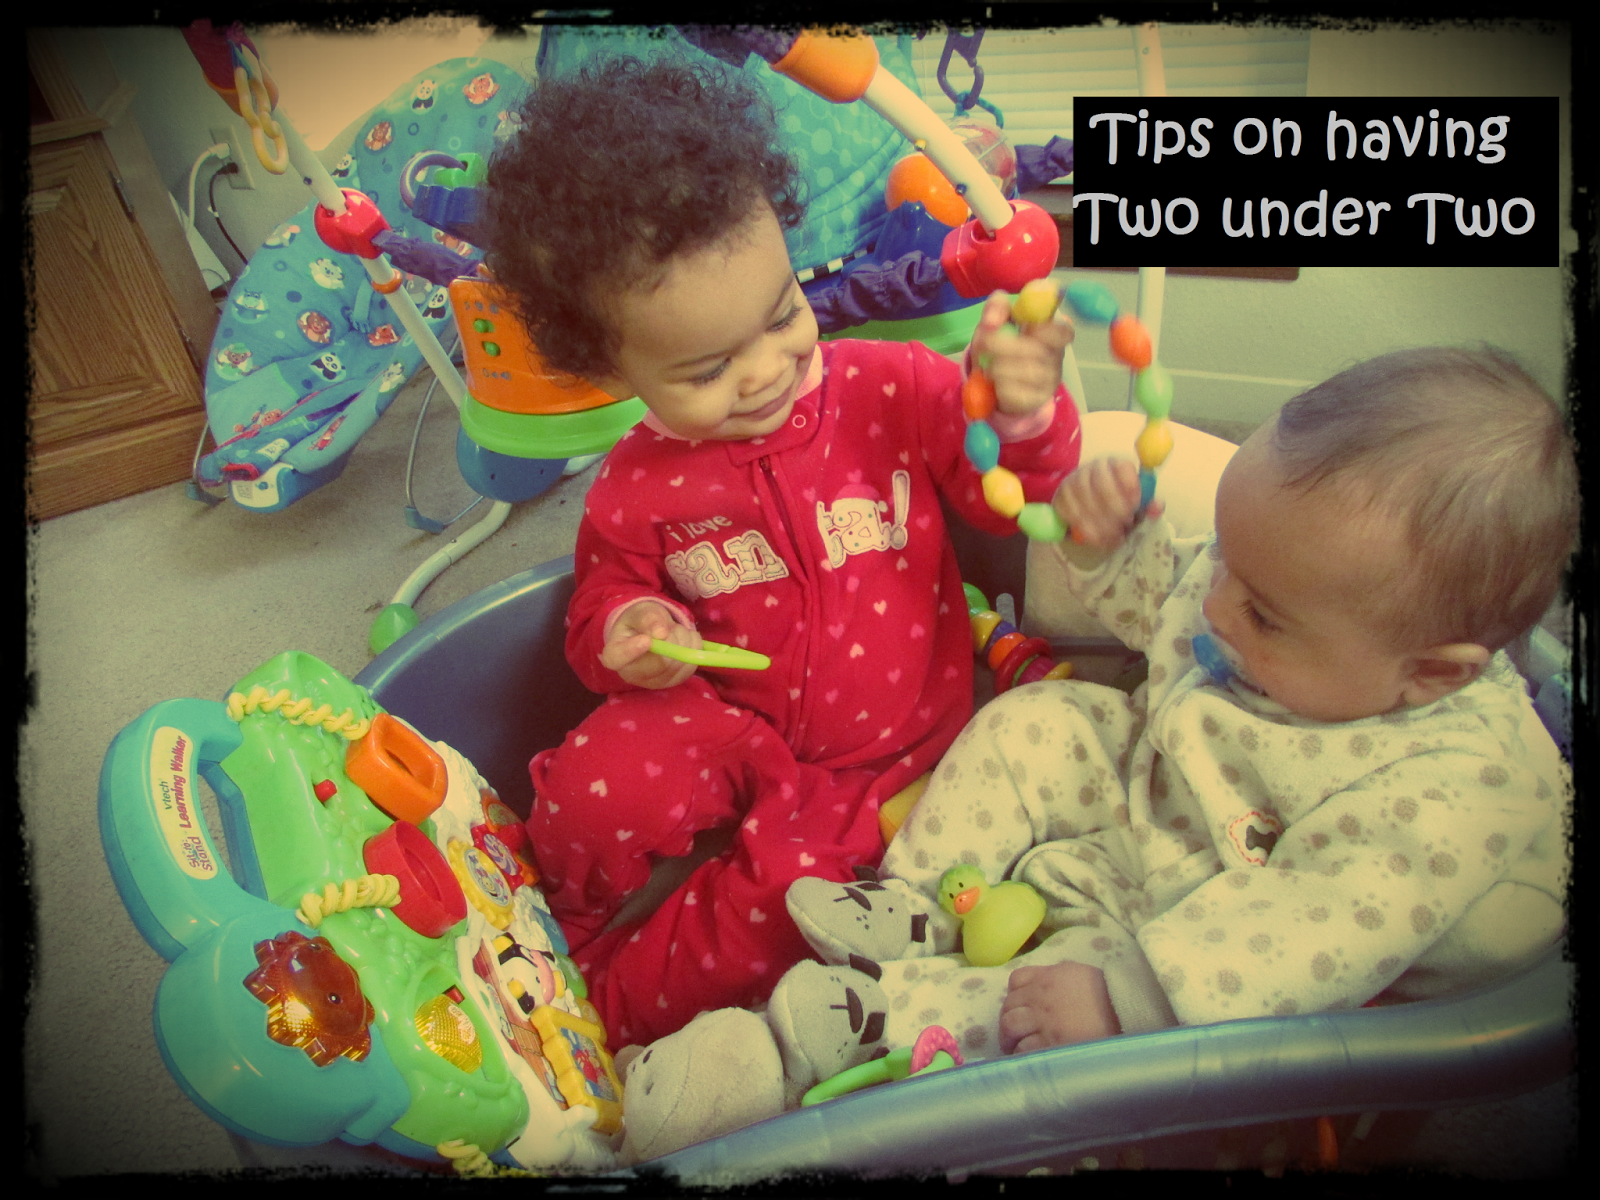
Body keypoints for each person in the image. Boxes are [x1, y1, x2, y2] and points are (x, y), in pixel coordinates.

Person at [479, 57, 1081, 1045]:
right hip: (716, 714)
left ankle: (600, 1023)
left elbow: (1014, 500)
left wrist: (1019, 411)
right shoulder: (635, 480)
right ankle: (553, 926)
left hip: (881, 761)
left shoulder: (896, 387)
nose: (765, 372)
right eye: (707, 367)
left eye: (782, 315)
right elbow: (600, 604)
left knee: (777, 911)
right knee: (595, 785)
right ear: (611, 370)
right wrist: (633, 626)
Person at [786, 346, 1574, 1062]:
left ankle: (863, 1021)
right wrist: (1106, 545)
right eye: (1225, 557)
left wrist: (1131, 1001)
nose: (1218, 606)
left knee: (1059, 1010)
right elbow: (1165, 604)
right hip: (1153, 777)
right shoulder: (1275, 581)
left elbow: (1305, 933)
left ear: (1431, 674)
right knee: (1038, 723)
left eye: (1264, 616)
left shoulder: (1451, 796)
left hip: (1205, 917)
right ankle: (910, 905)